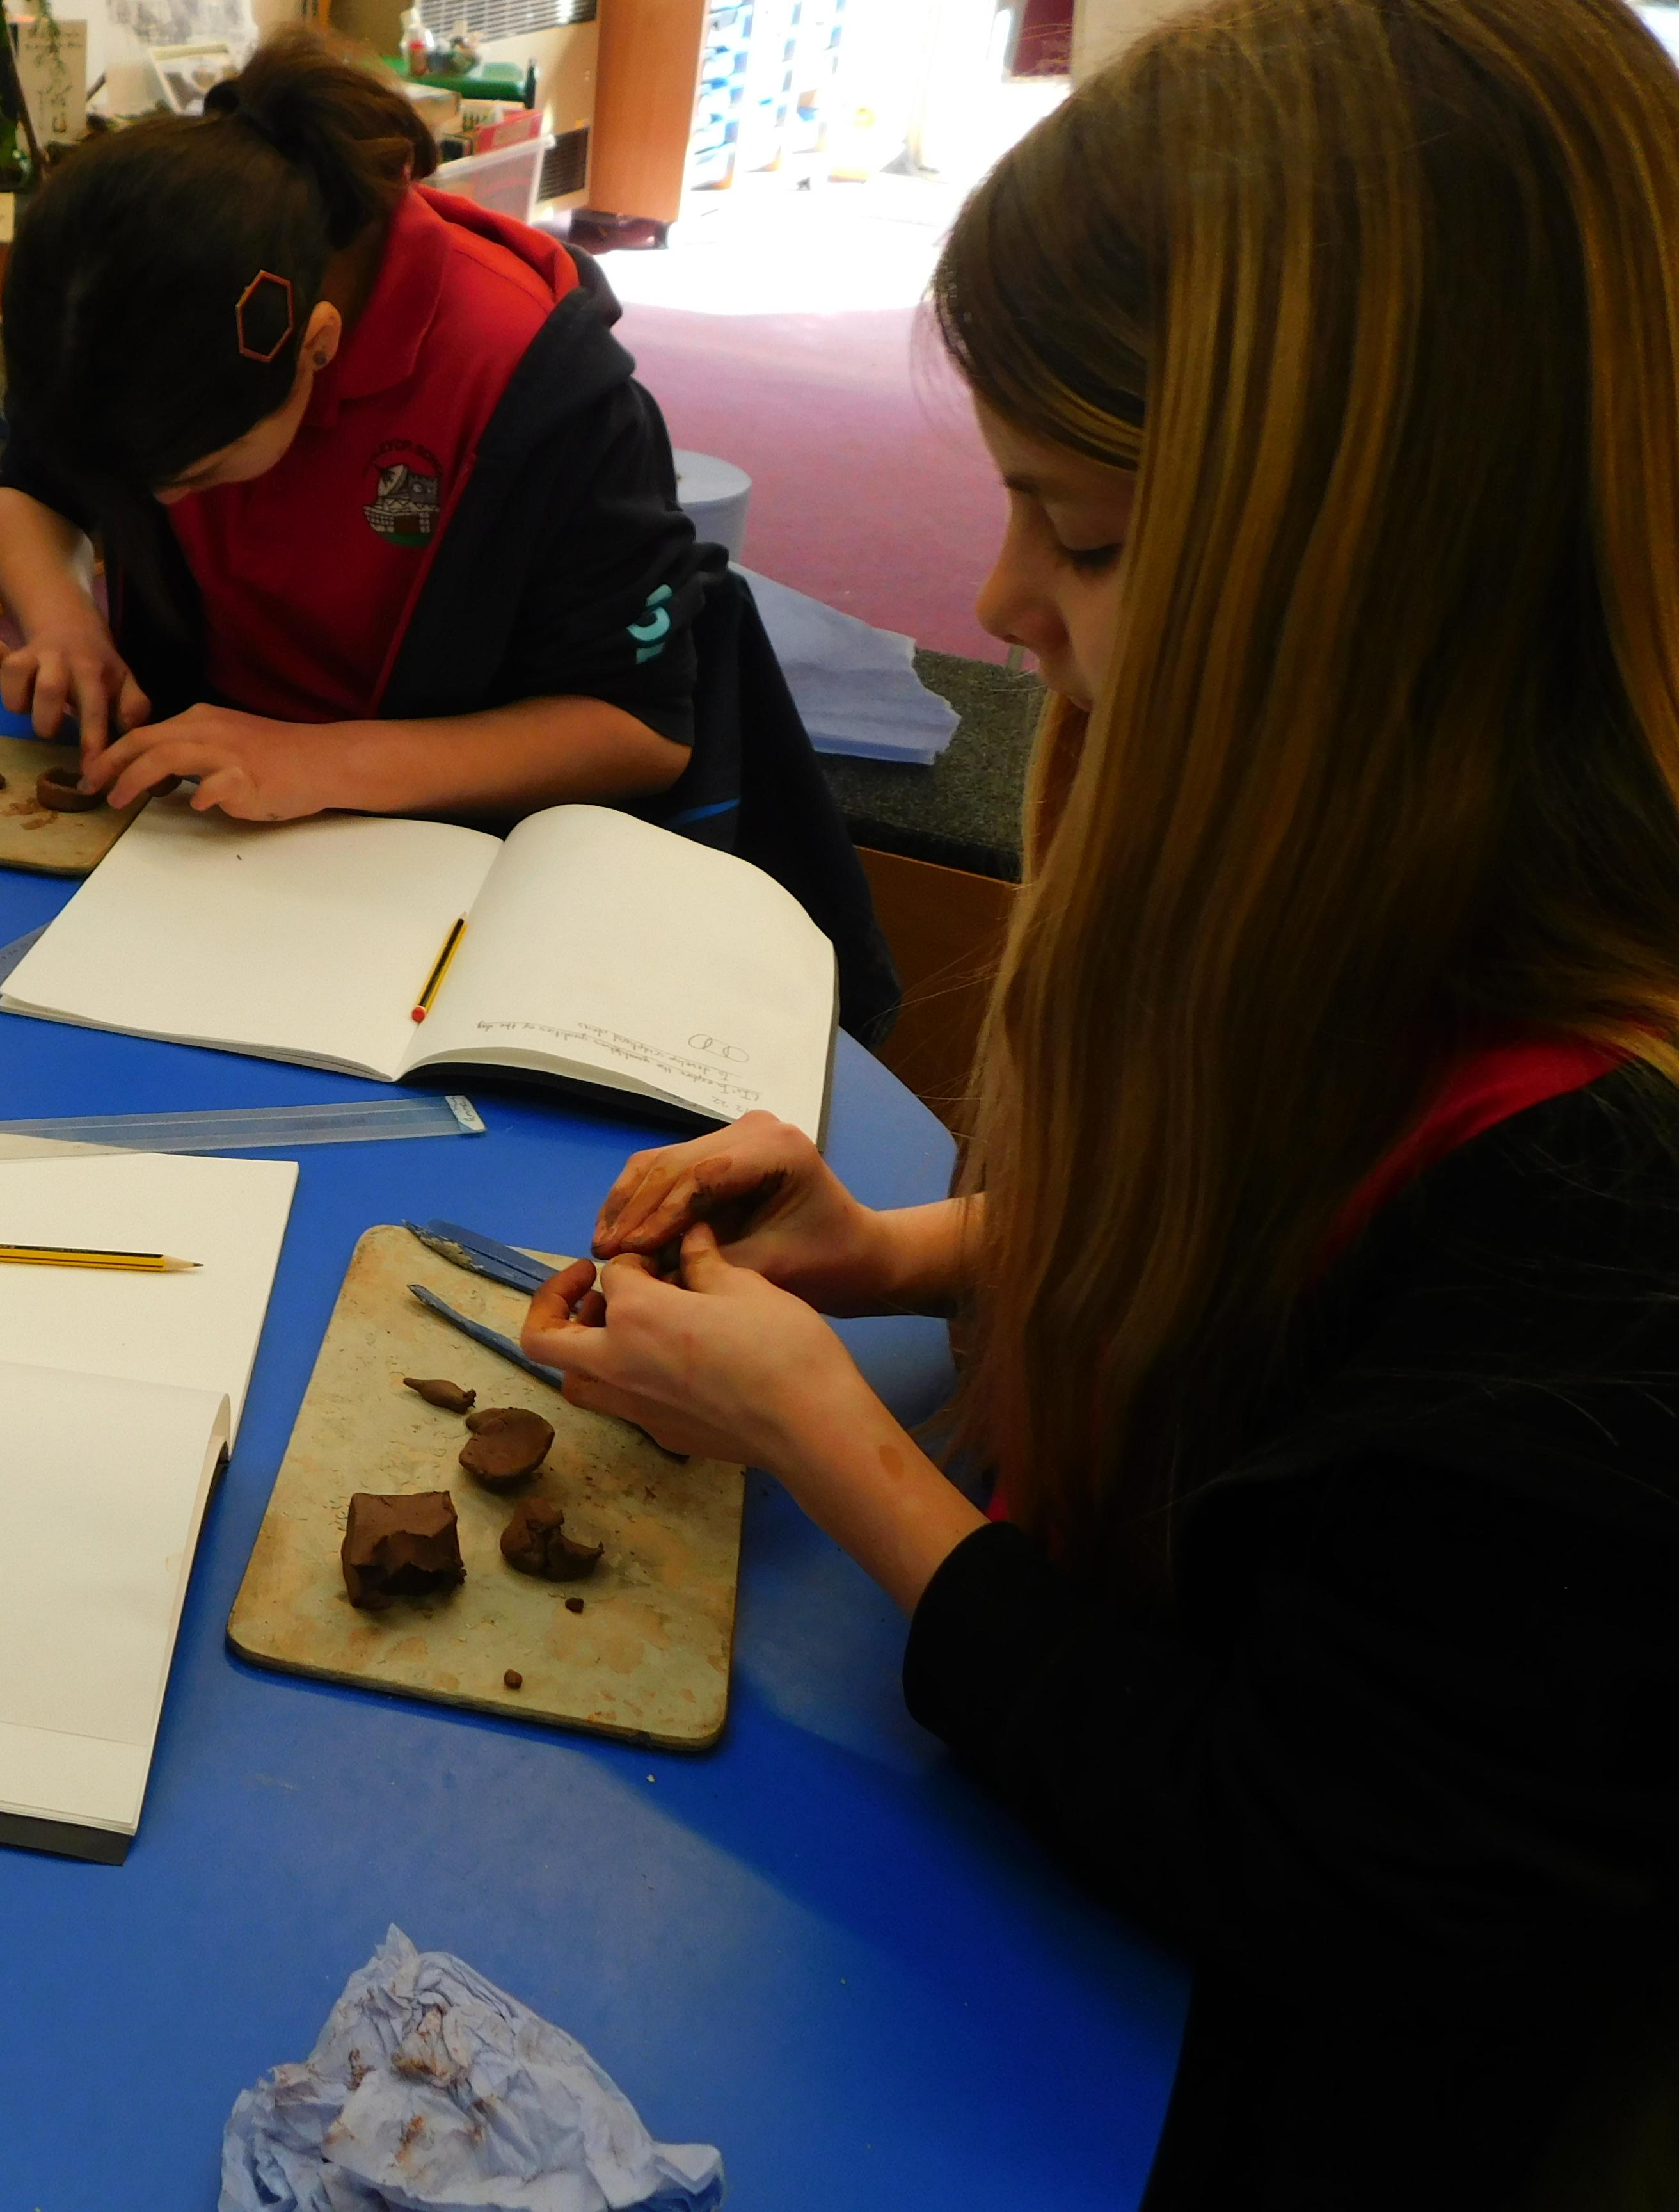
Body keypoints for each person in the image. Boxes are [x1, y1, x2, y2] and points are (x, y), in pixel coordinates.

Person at [520, 0, 1679, 2201]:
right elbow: (1312, 1278)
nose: (993, 604)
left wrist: (833, 1443)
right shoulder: (1346, 873)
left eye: (1084, 533)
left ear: (1380, 568)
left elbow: (1296, 1861)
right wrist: (912, 1253)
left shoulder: (1600, 1234)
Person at [0, 31, 699, 825]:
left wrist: (325, 761)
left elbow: (641, 730)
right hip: (204, 803)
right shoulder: (137, 306)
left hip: (427, 832)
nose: (160, 505)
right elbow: (32, 491)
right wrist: (65, 622)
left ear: (316, 345)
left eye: (197, 473)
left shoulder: (542, 386)